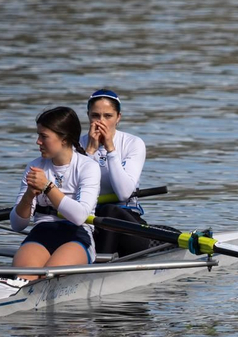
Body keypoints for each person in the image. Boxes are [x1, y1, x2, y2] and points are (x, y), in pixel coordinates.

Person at [11, 106, 101, 274]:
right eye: (38, 135)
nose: (38, 141)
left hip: (78, 234)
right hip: (42, 231)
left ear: (64, 139)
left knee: (51, 275)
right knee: (24, 276)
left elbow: (79, 217)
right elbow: (17, 225)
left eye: (44, 136)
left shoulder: (88, 167)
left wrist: (47, 187)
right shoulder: (34, 167)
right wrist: (29, 195)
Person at [83, 88, 152, 258]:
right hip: (87, 219)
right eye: (95, 116)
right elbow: (73, 190)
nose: (101, 122)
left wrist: (110, 149)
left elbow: (123, 193)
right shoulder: (76, 144)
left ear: (118, 117)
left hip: (127, 222)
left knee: (110, 210)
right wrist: (89, 152)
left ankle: (99, 265)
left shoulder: (133, 143)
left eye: (108, 116)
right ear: (88, 116)